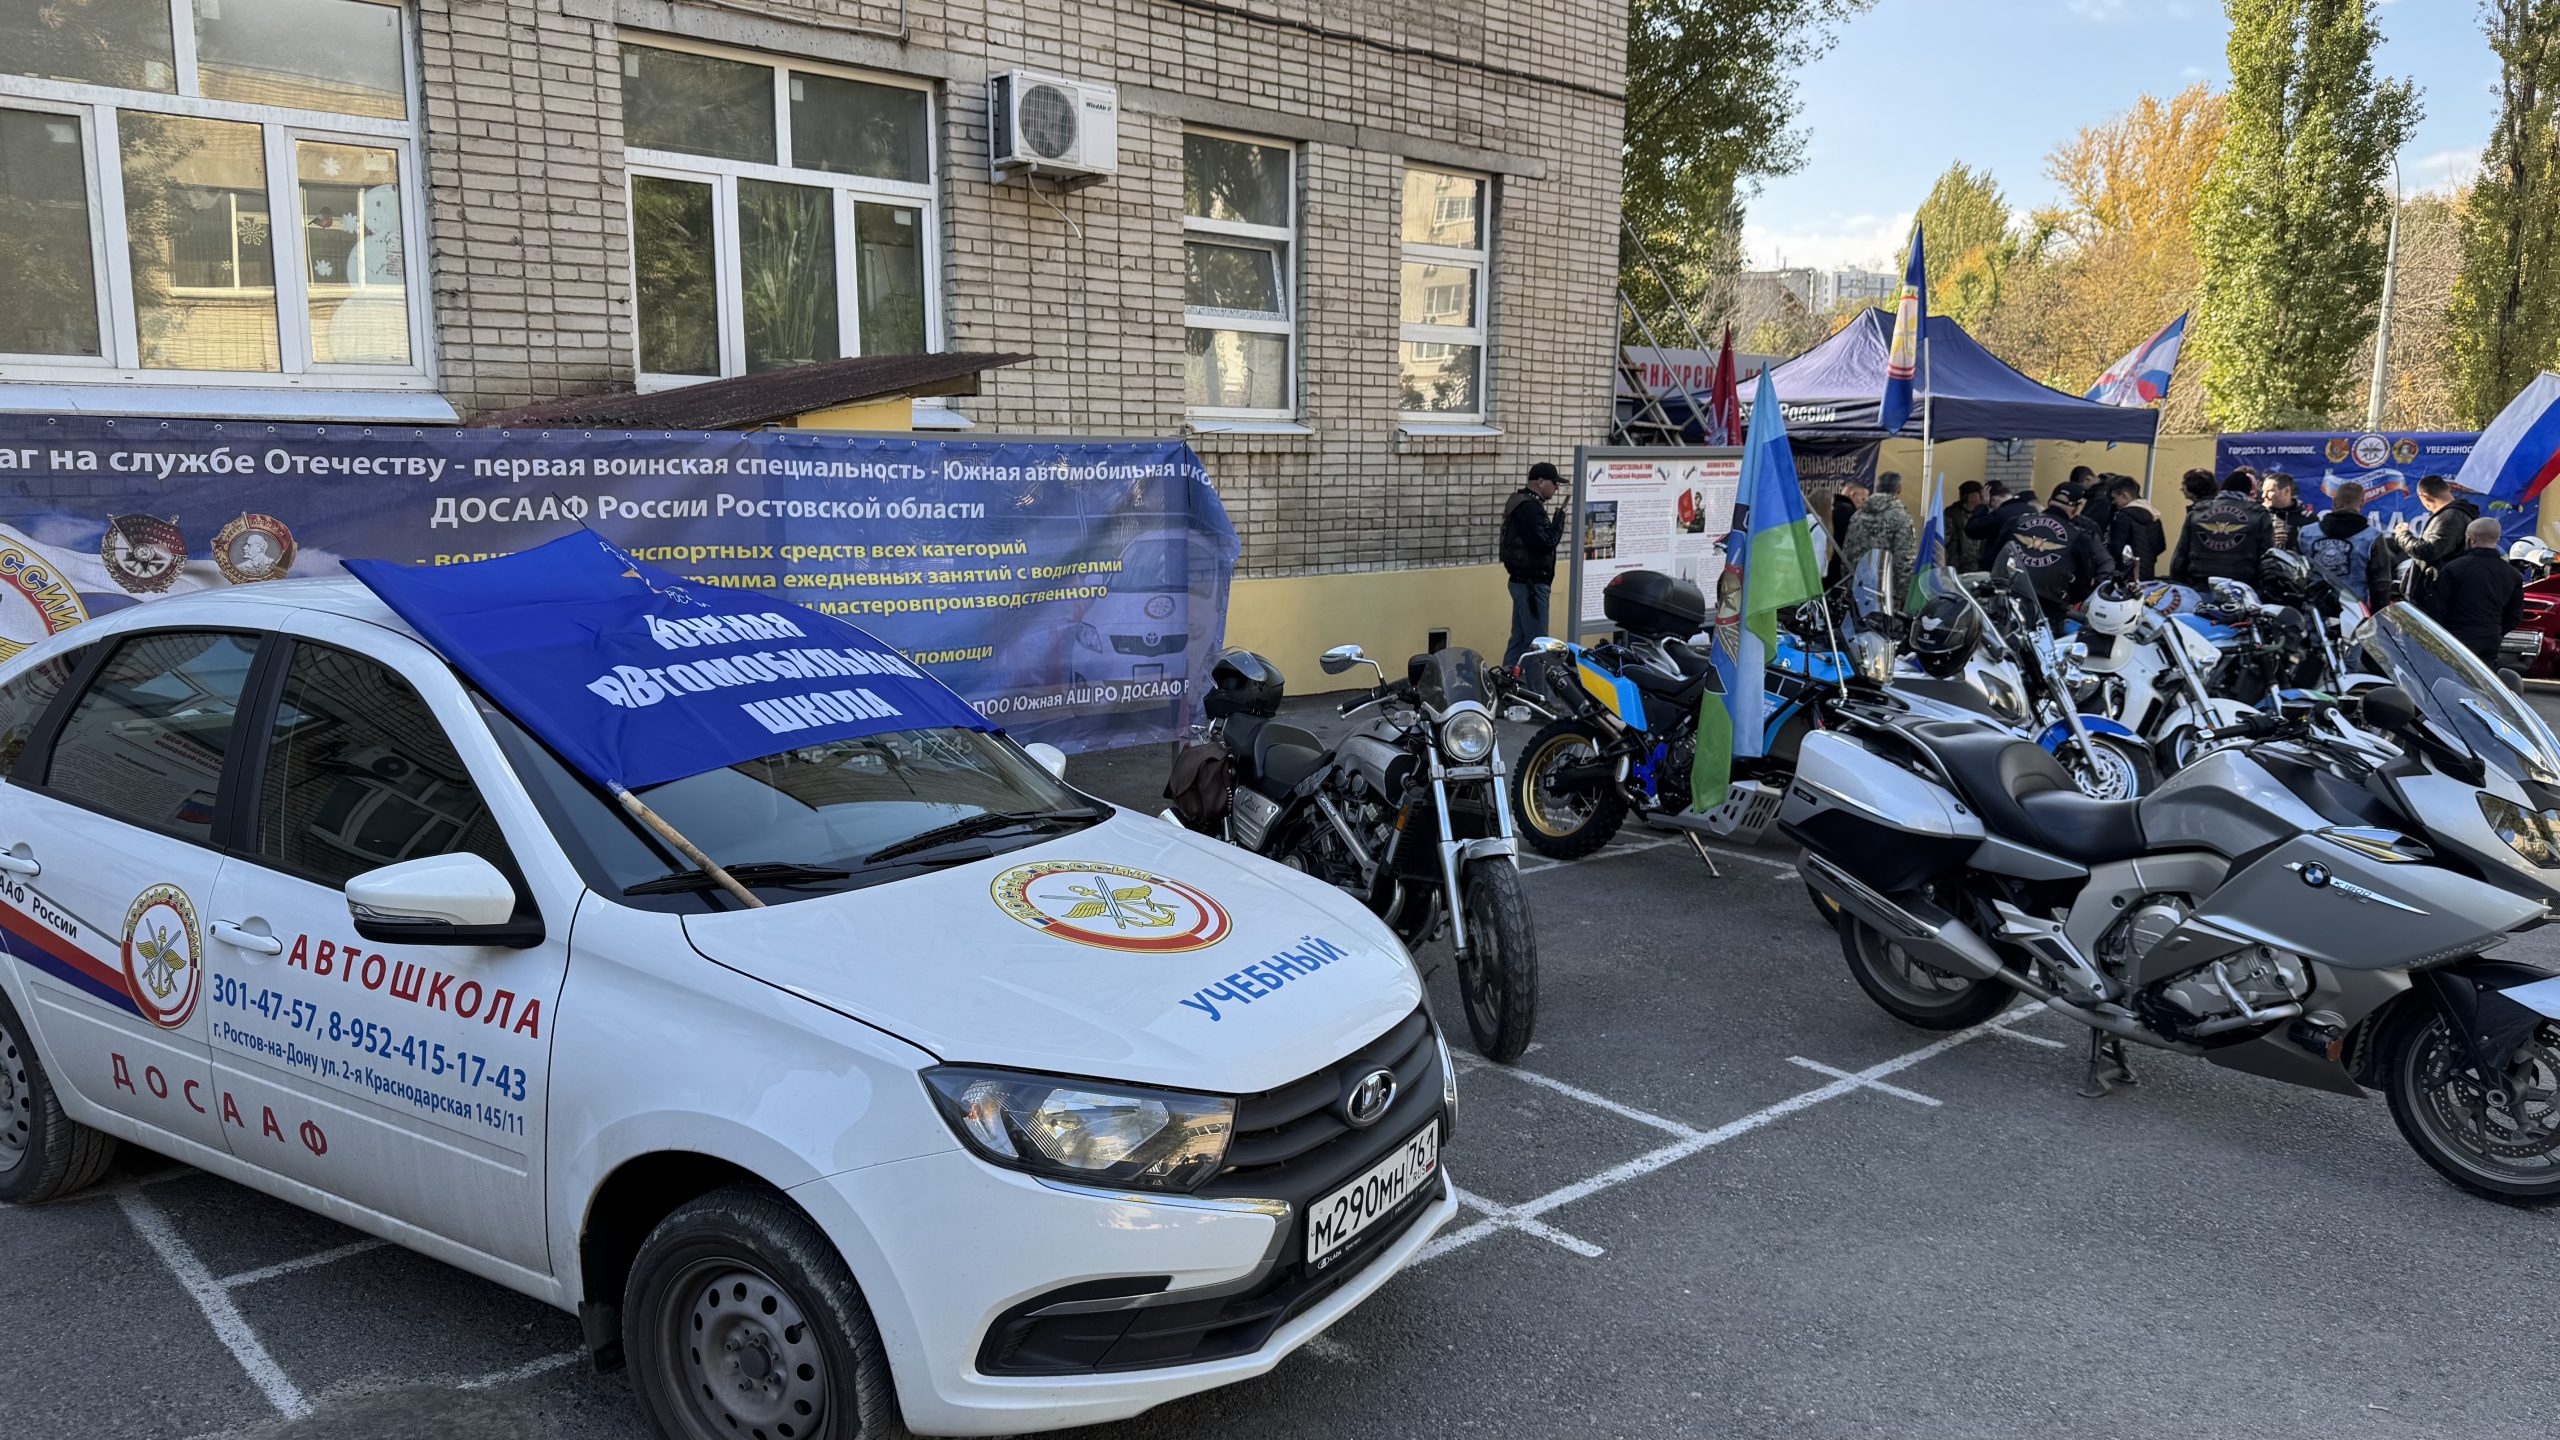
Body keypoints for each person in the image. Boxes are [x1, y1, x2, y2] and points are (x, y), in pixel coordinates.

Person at [1994, 480, 2109, 626]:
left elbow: (1992, 558)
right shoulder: (2078, 537)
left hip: (2005, 601)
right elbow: (2083, 585)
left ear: (2049, 501)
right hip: (2048, 611)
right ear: (2076, 508)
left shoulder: (2015, 522)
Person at [2419, 517, 2524, 667]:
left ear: (2471, 538)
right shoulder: (2512, 574)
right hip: (2491, 639)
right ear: (2497, 539)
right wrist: (2497, 631)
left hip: (2457, 638)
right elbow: (2514, 615)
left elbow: (2437, 608)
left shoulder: (2454, 569)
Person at [1500, 462, 1566, 667]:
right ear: (1541, 482)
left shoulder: (1521, 502)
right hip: (1532, 586)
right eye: (1554, 483)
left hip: (1523, 582)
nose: (1556, 488)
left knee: (1519, 640)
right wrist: (1558, 522)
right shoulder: (1529, 508)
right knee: (1539, 645)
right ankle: (1537, 687)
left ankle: (1507, 681)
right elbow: (1545, 543)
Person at [2170, 469, 2273, 589]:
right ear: (2247, 492)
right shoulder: (2258, 514)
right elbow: (2267, 557)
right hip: (2242, 587)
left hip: (2200, 585)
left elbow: (2180, 555)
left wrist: (2178, 585)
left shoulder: (2198, 512)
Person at [2299, 480, 2390, 608]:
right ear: (2362, 503)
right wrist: (2378, 615)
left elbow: (2296, 574)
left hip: (2314, 611)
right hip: (2354, 611)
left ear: (2334, 501)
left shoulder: (2306, 533)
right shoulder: (2372, 537)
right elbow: (2380, 584)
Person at [2398, 475, 2480, 602]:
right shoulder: (2454, 514)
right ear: (2448, 488)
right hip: (2443, 590)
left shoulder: (2450, 517)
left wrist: (2402, 535)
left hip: (2438, 593)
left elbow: (2430, 551)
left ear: (2424, 496)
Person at [1844, 471, 1919, 599]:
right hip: (1885, 592)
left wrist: (1849, 585)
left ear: (1877, 488)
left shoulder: (1858, 515)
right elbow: (1904, 560)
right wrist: (1905, 594)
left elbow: (1847, 551)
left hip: (1858, 587)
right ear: (1898, 489)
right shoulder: (1901, 517)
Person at [2105, 476, 2167, 581]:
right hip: (2148, 572)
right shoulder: (2154, 516)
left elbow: (2116, 548)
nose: (2113, 502)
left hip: (2126, 573)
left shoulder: (2123, 516)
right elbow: (2160, 546)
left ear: (2124, 495)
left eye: (2114, 498)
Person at [1965, 479, 2037, 560]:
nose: (1993, 509)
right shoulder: (2031, 509)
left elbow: (1972, 529)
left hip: (2003, 562)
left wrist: (1983, 506)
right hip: (2027, 560)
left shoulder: (2001, 514)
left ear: (1994, 499)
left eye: (1991, 506)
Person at [1825, 476, 1869, 587]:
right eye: (1863, 499)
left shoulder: (1827, 508)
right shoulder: (1848, 511)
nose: (1864, 504)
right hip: (1839, 569)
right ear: (1853, 495)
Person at [2262, 472, 2315, 550]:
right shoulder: (2257, 515)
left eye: (2270, 491)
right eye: (2263, 491)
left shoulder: (2307, 519)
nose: (2264, 495)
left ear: (2287, 491)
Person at [1943, 480, 1988, 572]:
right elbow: (1944, 540)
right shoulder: (1952, 515)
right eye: (1981, 495)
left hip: (1978, 565)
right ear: (1971, 497)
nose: (1984, 498)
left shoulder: (1983, 514)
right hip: (1957, 566)